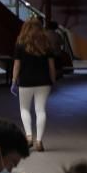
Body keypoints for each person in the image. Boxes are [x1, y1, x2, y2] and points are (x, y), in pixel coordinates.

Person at [13, 18, 55, 152]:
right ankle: (39, 141)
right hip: (44, 82)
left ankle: (29, 137)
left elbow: (17, 65)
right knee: (40, 110)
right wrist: (53, 80)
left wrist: (14, 81)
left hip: (25, 82)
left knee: (24, 109)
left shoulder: (20, 44)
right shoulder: (46, 43)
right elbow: (51, 66)